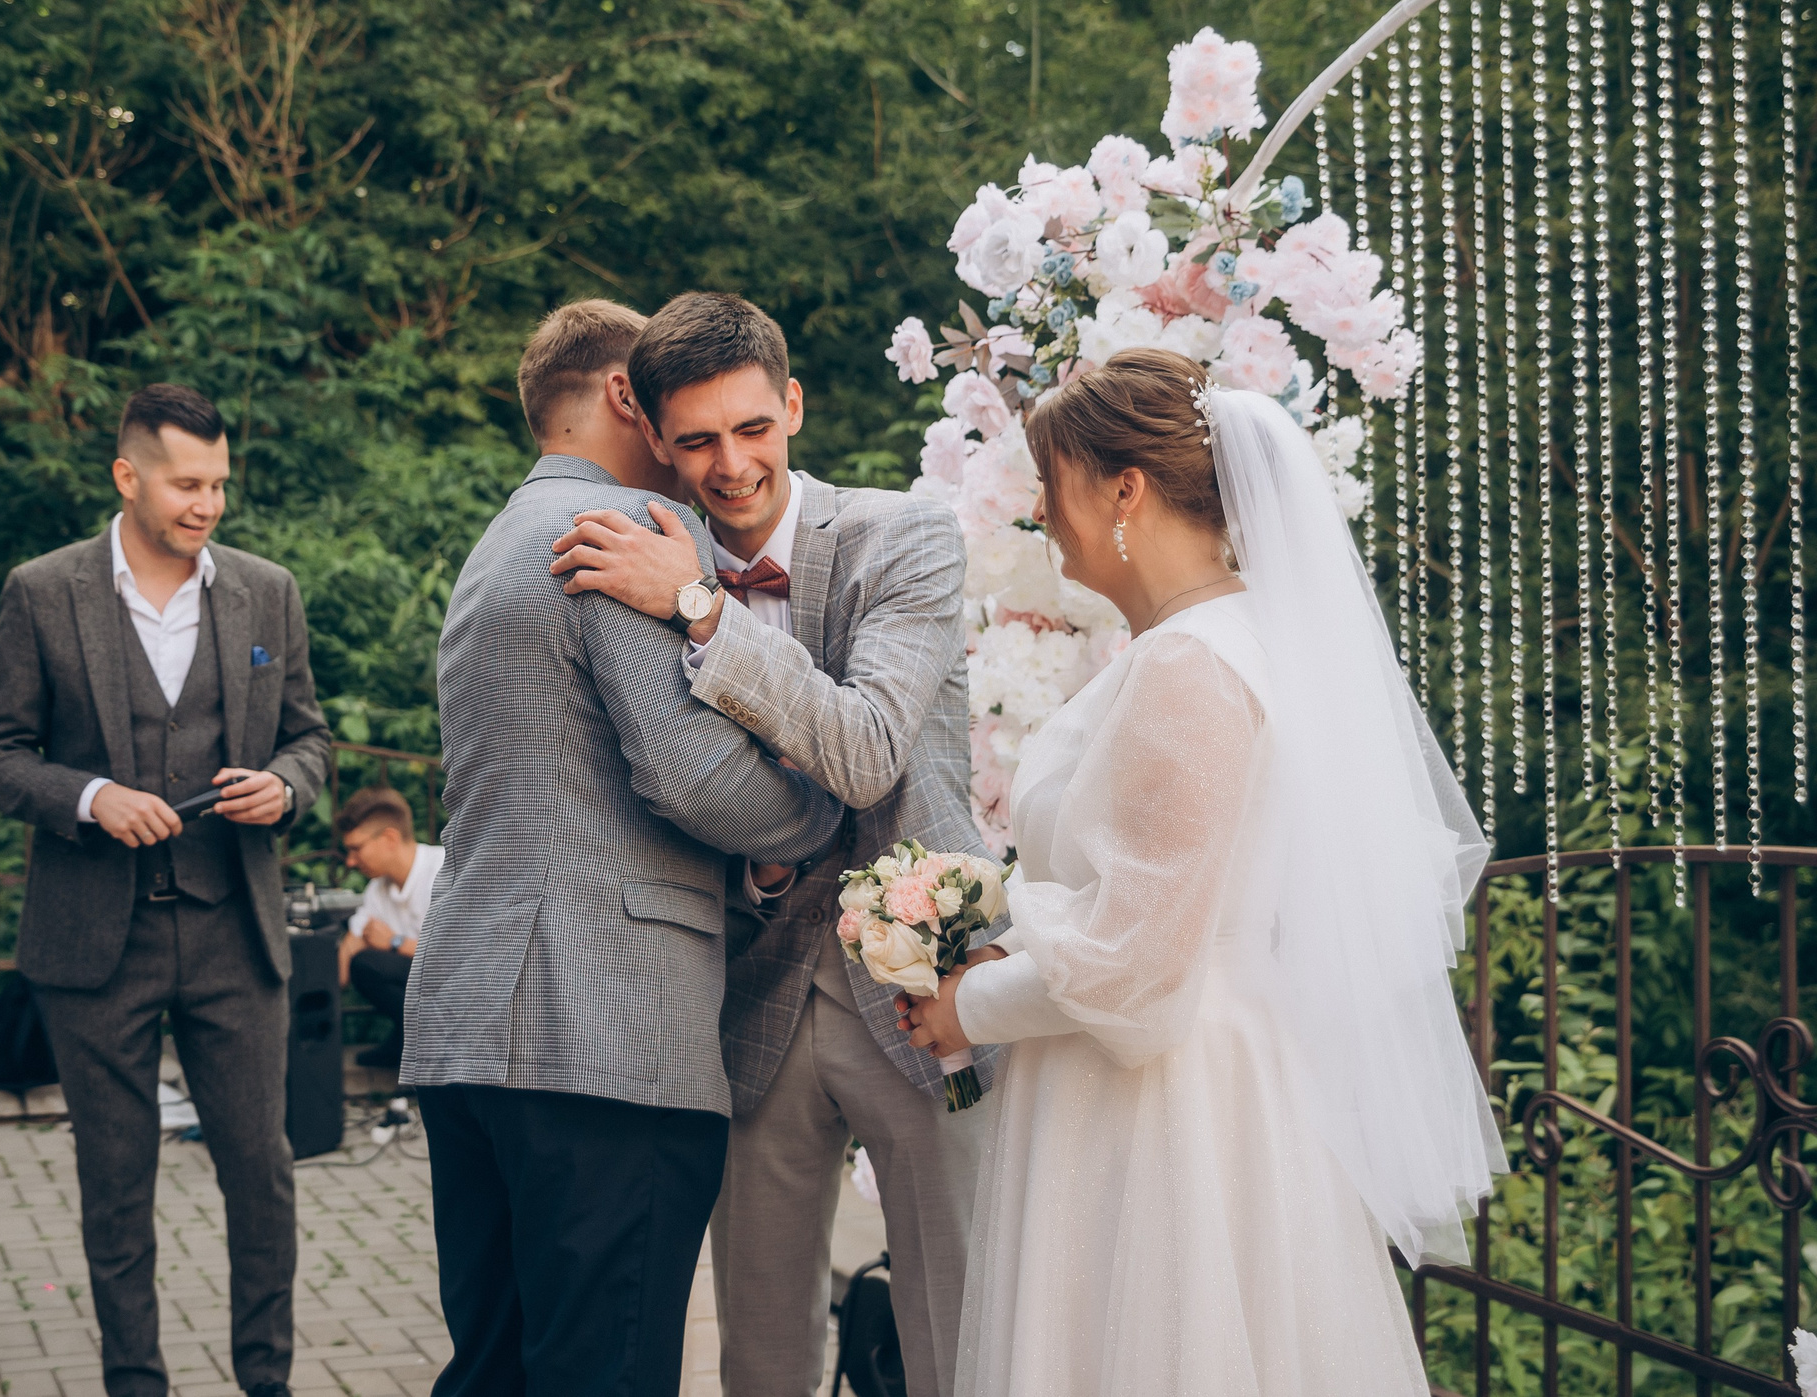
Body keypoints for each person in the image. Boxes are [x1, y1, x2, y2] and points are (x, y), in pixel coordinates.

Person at [896, 349, 1503, 1396]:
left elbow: (1139, 959)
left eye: (1053, 478)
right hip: (1171, 1080)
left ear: (1122, 487)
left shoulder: (1192, 666)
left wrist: (971, 1004)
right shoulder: (1218, 640)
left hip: (1160, 1111)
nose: (1041, 508)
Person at [547, 291, 1000, 1397]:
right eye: (695, 439)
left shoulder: (905, 534)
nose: (730, 463)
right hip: (748, 990)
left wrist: (704, 609)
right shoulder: (637, 559)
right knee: (758, 1350)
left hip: (923, 988)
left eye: (752, 427)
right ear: (653, 437)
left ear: (791, 405)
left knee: (959, 1326)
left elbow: (870, 750)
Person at [404, 299, 847, 1397]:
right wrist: (821, 815)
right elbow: (687, 771)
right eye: (671, 415)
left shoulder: (497, 539)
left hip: (470, 1028)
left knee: (495, 1369)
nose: (693, 451)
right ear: (621, 398)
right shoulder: (629, 532)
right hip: (604, 1040)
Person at [0, 382, 334, 1397]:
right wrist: (88, 796)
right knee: (115, 1187)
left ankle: (268, 1381)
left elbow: (309, 736)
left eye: (218, 482)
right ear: (128, 476)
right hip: (95, 942)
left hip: (234, 932)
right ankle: (137, 1383)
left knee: (261, 1177)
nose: (206, 502)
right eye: (185, 481)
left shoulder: (268, 591)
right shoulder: (43, 591)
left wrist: (285, 784)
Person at [334, 785, 440, 1072]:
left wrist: (395, 942)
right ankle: (409, 1041)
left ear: (389, 838)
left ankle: (424, 1047)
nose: (351, 861)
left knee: (371, 963)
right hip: (425, 986)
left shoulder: (443, 870)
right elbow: (351, 946)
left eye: (357, 848)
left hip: (461, 988)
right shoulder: (377, 889)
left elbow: (467, 958)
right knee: (362, 964)